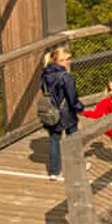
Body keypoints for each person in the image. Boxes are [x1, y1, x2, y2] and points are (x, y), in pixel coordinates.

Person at [39, 45, 82, 180]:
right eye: (64, 59)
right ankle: (76, 165)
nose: (67, 62)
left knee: (54, 140)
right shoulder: (66, 77)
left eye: (68, 59)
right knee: (73, 138)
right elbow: (72, 98)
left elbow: (44, 90)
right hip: (66, 112)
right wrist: (80, 107)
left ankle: (54, 172)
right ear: (56, 61)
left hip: (50, 111)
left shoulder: (45, 75)